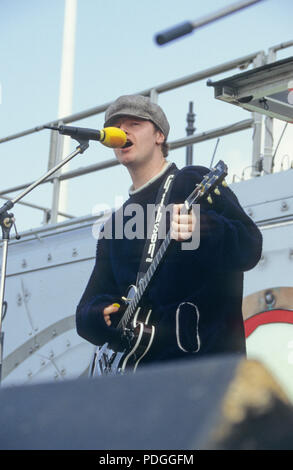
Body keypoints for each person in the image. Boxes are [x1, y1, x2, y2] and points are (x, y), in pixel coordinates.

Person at [75, 94, 262, 367]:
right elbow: (87, 307)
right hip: (139, 379)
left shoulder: (192, 182)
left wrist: (202, 228)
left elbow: (249, 246)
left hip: (205, 369)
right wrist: (97, 315)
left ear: (159, 135)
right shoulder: (114, 225)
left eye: (134, 124)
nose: (123, 132)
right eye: (116, 127)